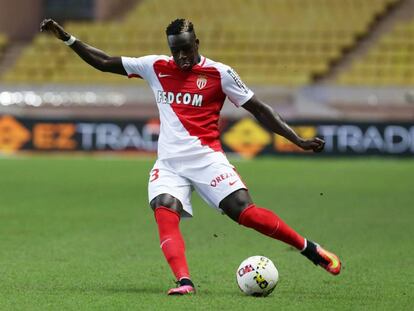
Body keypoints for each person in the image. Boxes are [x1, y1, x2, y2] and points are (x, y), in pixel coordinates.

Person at [40, 18, 341, 295]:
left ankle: (308, 248)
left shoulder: (220, 73)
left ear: (197, 44)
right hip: (169, 164)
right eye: (175, 52)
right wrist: (68, 39)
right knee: (164, 209)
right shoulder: (155, 66)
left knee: (245, 212)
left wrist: (297, 139)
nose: (181, 58)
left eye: (186, 50)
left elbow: (259, 109)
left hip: (208, 160)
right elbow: (105, 62)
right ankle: (184, 281)